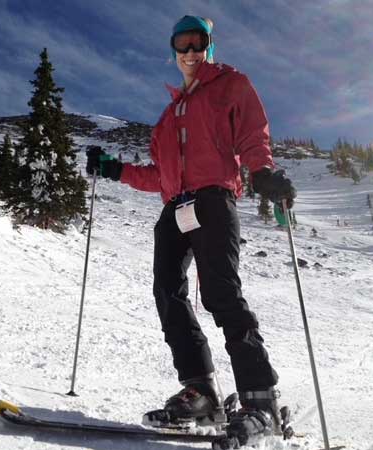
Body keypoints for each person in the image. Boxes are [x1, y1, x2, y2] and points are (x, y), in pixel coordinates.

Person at [86, 15, 296, 446]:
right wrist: (114, 170)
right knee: (167, 291)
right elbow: (158, 176)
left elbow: (254, 133)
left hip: (213, 199)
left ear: (209, 46)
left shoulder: (230, 84)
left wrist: (262, 172)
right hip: (175, 208)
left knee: (221, 294)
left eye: (198, 43)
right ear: (173, 51)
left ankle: (261, 402)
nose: (190, 51)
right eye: (182, 44)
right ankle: (201, 390)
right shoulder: (167, 117)